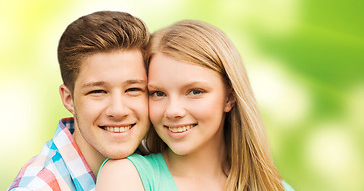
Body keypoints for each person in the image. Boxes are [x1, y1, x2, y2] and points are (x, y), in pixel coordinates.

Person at [96, 20, 294, 190]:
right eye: (158, 93)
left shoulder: (275, 188)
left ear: (229, 98)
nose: (173, 111)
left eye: (195, 92)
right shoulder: (125, 176)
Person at [8, 11, 151, 191]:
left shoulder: (160, 157)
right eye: (98, 91)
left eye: (133, 89)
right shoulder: (38, 187)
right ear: (68, 99)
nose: (118, 110)